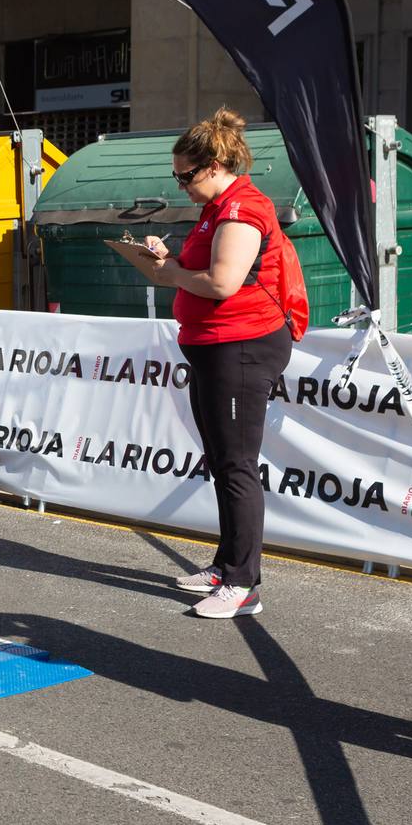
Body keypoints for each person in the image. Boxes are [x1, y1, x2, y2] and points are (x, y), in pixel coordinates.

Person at [114, 108, 297, 620]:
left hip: (240, 345)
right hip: (218, 344)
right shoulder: (220, 208)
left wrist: (171, 274)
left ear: (215, 164)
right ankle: (227, 567)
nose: (181, 186)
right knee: (223, 462)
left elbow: (222, 284)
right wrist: (163, 258)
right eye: (176, 177)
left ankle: (243, 584)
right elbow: (202, 269)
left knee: (236, 466)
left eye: (186, 176)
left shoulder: (240, 210)